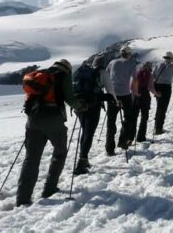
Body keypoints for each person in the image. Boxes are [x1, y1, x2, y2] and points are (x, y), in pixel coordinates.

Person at [16, 59, 86, 206]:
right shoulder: (64, 75)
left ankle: (22, 199)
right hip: (54, 121)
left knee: (31, 159)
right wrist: (82, 106)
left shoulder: (41, 75)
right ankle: (49, 188)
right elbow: (70, 99)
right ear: (67, 69)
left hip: (33, 121)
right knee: (60, 152)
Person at [73, 55, 114, 175]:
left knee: (85, 131)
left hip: (80, 105)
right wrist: (115, 100)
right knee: (89, 133)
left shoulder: (86, 71)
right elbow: (110, 90)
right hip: (93, 106)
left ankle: (83, 158)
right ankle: (82, 162)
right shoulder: (102, 73)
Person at [104, 46, 138, 155]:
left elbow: (106, 75)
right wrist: (135, 92)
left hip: (112, 94)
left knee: (111, 121)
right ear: (129, 54)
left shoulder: (112, 62)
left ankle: (109, 148)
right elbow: (135, 78)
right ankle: (123, 141)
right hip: (125, 94)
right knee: (128, 118)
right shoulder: (131, 64)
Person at [133, 62, 160, 142]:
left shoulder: (136, 73)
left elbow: (131, 85)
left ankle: (131, 136)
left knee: (134, 117)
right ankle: (141, 137)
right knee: (144, 117)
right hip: (145, 97)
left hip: (136, 96)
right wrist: (156, 94)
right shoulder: (150, 75)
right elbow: (150, 87)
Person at [152, 51, 173, 134]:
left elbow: (153, 75)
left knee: (159, 106)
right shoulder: (172, 66)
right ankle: (159, 128)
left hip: (157, 86)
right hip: (166, 87)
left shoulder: (158, 64)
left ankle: (156, 127)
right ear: (170, 58)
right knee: (163, 108)